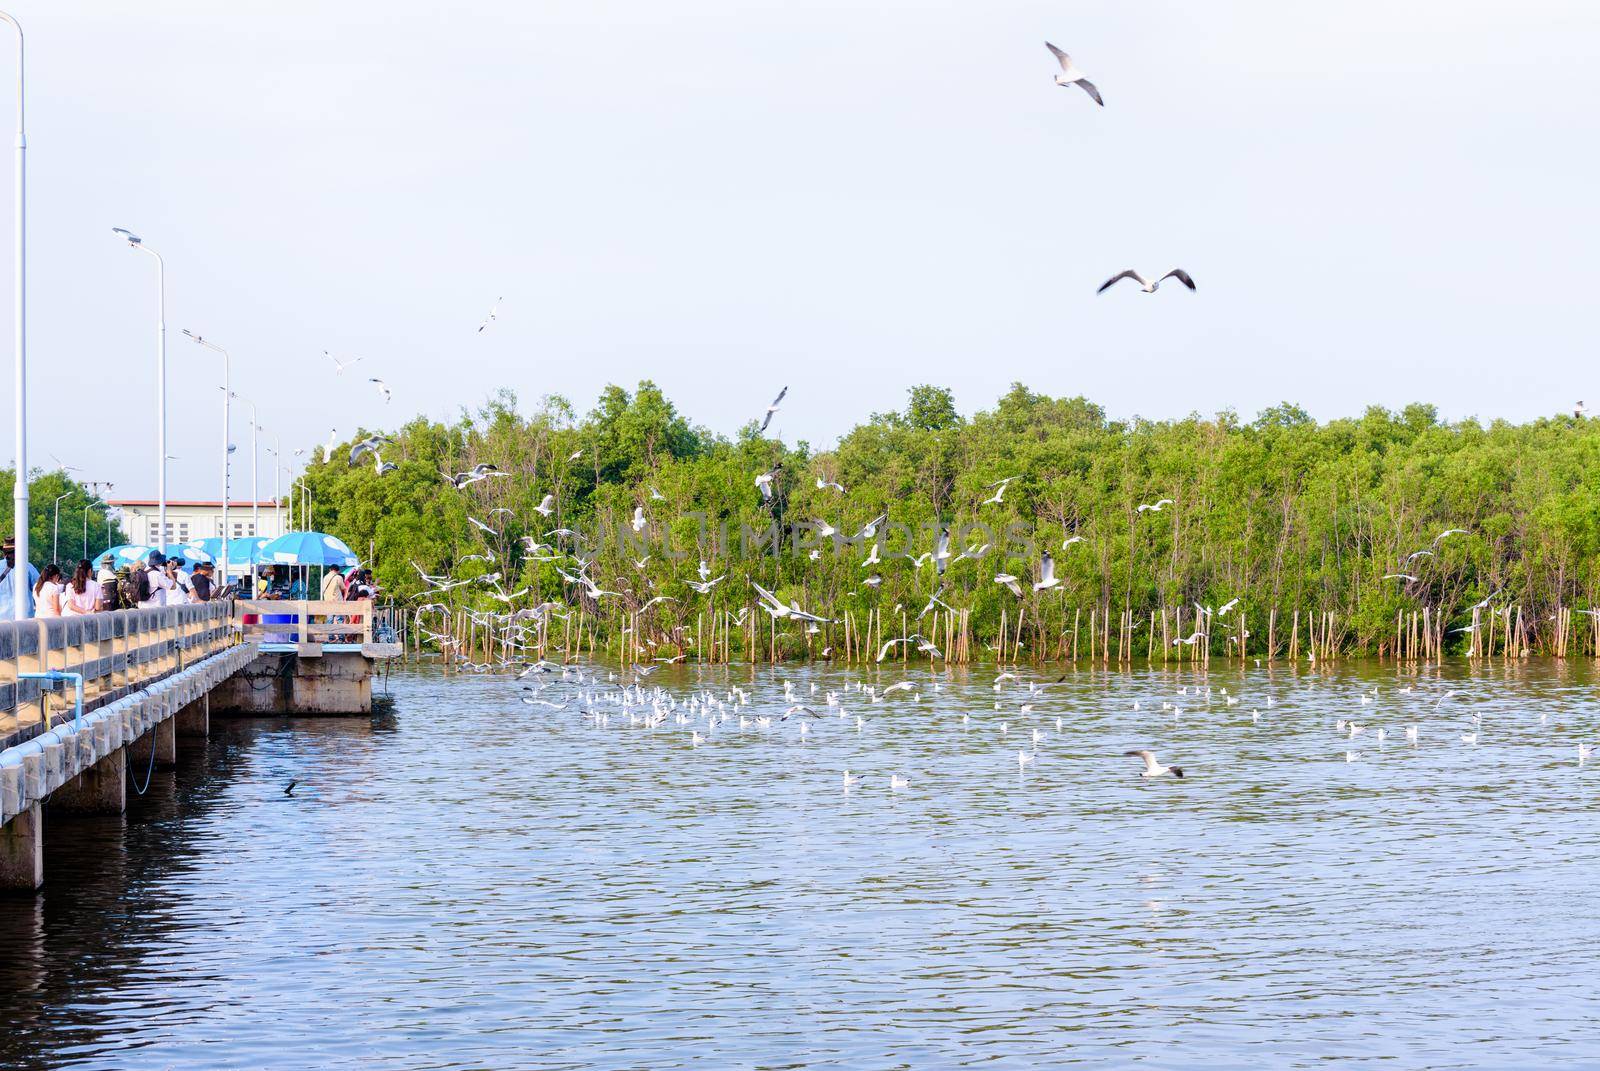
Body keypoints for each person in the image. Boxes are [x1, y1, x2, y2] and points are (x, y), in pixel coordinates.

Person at [0, 536, 40, 618]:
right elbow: (40, 587)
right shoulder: (27, 567)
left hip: (2, 618)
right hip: (24, 617)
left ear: (4, 553)